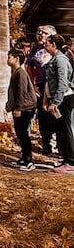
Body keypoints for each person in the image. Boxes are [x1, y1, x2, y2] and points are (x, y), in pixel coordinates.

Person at [44, 34, 74, 172]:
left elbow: (63, 82)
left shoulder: (60, 60)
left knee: (66, 129)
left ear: (54, 45)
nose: (45, 45)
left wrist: (56, 101)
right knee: (61, 130)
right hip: (59, 99)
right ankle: (65, 158)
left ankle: (71, 162)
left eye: (47, 43)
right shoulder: (54, 59)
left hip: (65, 99)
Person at [27, 26, 59, 157]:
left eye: (44, 33)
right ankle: (47, 144)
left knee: (56, 115)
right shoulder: (34, 49)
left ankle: (58, 144)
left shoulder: (55, 48)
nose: (40, 34)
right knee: (43, 114)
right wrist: (32, 84)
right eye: (38, 32)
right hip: (40, 86)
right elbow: (29, 67)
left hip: (54, 86)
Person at [5, 48, 38, 170]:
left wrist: (18, 107)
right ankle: (24, 157)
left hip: (25, 107)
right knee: (20, 133)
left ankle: (29, 160)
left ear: (16, 59)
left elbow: (21, 91)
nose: (8, 59)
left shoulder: (20, 73)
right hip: (22, 106)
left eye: (9, 57)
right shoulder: (16, 72)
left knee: (24, 134)